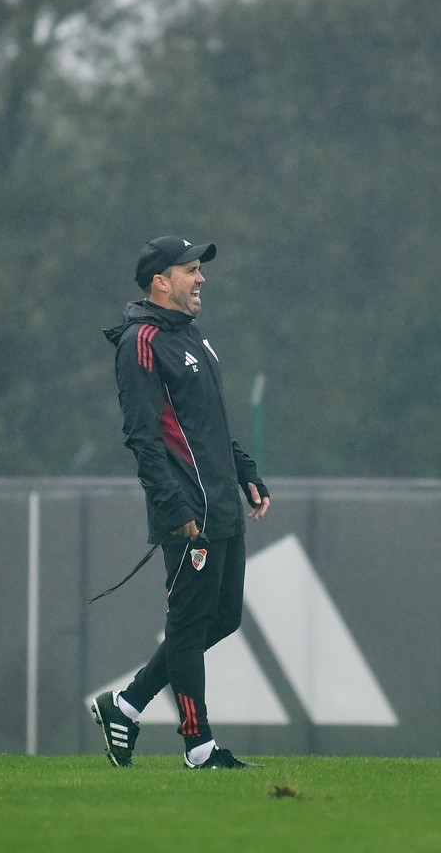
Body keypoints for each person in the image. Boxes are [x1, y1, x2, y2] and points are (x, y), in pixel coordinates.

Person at [91, 235, 270, 770]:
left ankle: (124, 706)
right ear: (160, 281)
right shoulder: (140, 342)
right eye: (191, 269)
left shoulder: (192, 335)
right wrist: (175, 508)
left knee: (225, 619)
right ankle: (200, 747)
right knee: (189, 629)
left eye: (200, 268)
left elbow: (209, 423)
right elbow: (143, 438)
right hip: (188, 512)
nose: (202, 278)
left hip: (222, 506)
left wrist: (245, 473)